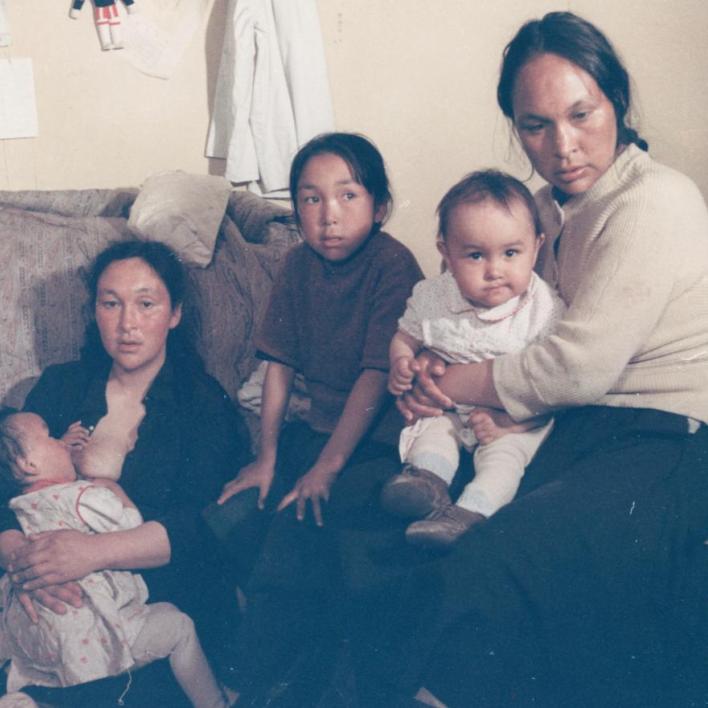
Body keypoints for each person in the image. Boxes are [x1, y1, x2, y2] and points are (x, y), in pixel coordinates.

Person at [354, 11, 708, 708]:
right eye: (536, 125)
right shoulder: (540, 210)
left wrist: (448, 383)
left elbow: (575, 367)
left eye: (582, 114)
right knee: (386, 534)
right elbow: (488, 322)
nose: (563, 146)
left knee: (492, 561)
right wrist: (423, 373)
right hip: (568, 426)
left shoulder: (655, 199)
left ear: (617, 101)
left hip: (663, 440)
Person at [211, 132, 423, 701]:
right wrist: (266, 457)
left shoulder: (393, 265)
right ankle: (298, 655)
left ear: (379, 206)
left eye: (348, 196)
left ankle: (260, 680)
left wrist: (325, 469)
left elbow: (375, 377)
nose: (329, 215)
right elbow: (278, 366)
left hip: (378, 443)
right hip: (315, 431)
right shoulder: (296, 265)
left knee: (299, 526)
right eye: (311, 198)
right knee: (232, 515)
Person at [0, 240, 251, 706]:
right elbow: (5, 481)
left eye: (145, 304)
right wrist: (23, 560)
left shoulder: (203, 405)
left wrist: (89, 553)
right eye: (111, 303)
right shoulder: (61, 385)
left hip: (155, 593)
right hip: (48, 590)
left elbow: (200, 526)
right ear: (94, 310)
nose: (126, 324)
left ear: (175, 314)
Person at [383, 170, 565, 548]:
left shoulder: (543, 308)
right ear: (447, 253)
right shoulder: (434, 296)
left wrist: (514, 422)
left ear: (536, 247)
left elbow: (553, 382)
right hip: (448, 408)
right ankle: (426, 483)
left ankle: (469, 513)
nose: (494, 270)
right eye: (476, 255)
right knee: (434, 432)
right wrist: (401, 362)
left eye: (511, 253)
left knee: (504, 461)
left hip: (512, 417)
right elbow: (405, 336)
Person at [0, 410, 229, 708]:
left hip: (33, 634)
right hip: (90, 631)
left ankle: (28, 698)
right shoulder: (84, 495)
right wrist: (114, 490)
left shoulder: (21, 505)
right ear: (28, 464)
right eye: (52, 437)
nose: (63, 442)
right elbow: (131, 525)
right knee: (178, 626)